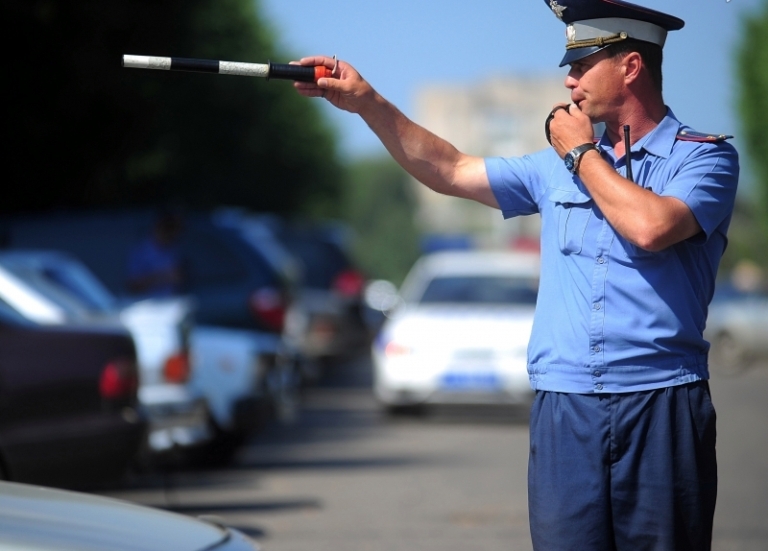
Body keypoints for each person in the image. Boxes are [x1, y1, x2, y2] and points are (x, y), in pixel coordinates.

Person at [293, 0, 739, 549]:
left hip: (660, 402)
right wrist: (366, 103)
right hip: (564, 406)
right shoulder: (558, 164)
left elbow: (651, 226)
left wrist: (579, 154)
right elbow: (451, 169)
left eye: (582, 65)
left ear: (630, 66)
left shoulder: (703, 160)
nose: (570, 82)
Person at [126, 208, 186, 298]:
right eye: (173, 229)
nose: (176, 235)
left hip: (171, 303)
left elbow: (180, 278)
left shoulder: (173, 250)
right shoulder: (140, 251)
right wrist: (163, 277)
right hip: (147, 306)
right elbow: (132, 285)